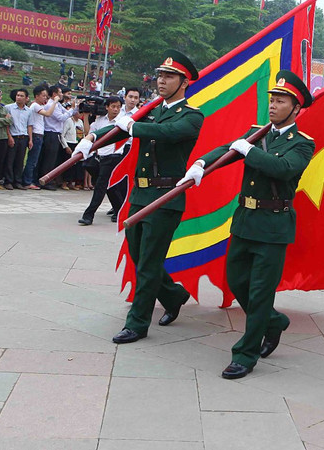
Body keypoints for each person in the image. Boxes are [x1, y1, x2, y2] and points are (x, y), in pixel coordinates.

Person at [179, 69, 313, 380]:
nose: (273, 105)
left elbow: (282, 168)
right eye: (272, 100)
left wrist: (249, 150)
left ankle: (245, 354)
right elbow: (228, 148)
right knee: (237, 281)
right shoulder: (257, 133)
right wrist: (201, 163)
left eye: (281, 101)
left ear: (296, 108)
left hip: (273, 225)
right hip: (245, 220)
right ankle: (273, 322)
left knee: (261, 291)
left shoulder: (301, 144)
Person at [76, 50, 204, 345]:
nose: (161, 81)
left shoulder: (191, 115)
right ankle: (173, 295)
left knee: (148, 262)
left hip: (165, 196)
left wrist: (133, 126)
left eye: (169, 76)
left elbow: (166, 132)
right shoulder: (152, 110)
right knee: (138, 255)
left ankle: (137, 323)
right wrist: (91, 139)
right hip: (141, 193)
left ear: (184, 82)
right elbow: (120, 128)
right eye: (160, 75)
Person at [78, 96, 124, 225]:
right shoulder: (100, 120)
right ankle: (120, 211)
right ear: (107, 107)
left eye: (118, 107)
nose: (116, 109)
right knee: (111, 187)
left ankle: (88, 215)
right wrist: (86, 116)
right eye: (113, 106)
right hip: (100, 158)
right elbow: (89, 134)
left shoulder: (122, 121)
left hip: (115, 157)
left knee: (100, 186)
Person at [36, 85, 79, 190]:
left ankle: (49, 179)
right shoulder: (52, 105)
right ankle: (45, 180)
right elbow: (62, 118)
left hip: (56, 134)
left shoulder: (58, 105)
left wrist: (75, 107)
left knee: (53, 158)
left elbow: (67, 113)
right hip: (51, 133)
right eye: (60, 92)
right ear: (54, 94)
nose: (61, 94)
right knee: (49, 158)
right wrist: (71, 109)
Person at [3, 89, 31, 189]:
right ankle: (8, 181)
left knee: (20, 160)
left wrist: (30, 139)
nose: (19, 97)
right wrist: (9, 136)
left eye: (21, 96)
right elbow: (6, 124)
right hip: (13, 136)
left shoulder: (28, 111)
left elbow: (29, 125)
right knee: (10, 160)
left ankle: (17, 181)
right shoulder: (8, 108)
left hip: (23, 137)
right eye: (18, 95)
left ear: (26, 98)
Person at [23, 85, 48, 189]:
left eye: (46, 96)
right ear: (37, 96)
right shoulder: (35, 106)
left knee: (34, 160)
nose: (45, 98)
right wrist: (55, 102)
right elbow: (48, 114)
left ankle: (30, 180)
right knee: (32, 160)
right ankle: (27, 181)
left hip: (39, 134)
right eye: (43, 96)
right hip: (36, 134)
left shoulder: (38, 105)